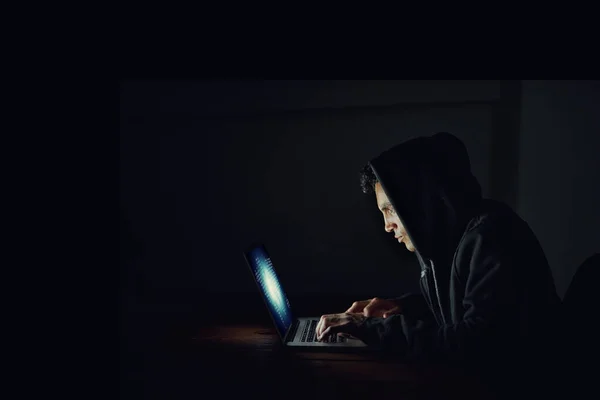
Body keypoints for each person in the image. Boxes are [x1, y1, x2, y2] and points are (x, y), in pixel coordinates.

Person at [315, 132, 562, 395]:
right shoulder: (453, 240)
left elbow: (475, 344)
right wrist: (403, 307)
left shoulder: (491, 237)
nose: (388, 226)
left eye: (390, 210)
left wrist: (372, 329)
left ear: (420, 199)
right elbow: (460, 311)